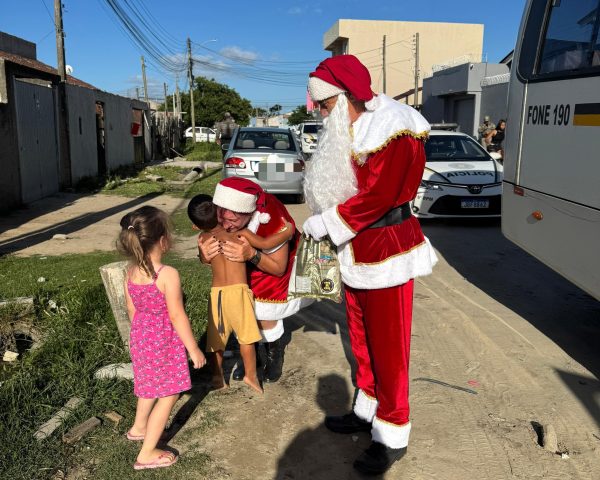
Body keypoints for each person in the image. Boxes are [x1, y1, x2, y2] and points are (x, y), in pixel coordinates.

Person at [302, 55, 438, 475]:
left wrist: (326, 222)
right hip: (356, 249)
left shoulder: (395, 125)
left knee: (389, 350)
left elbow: (380, 196)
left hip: (387, 251)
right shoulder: (352, 124)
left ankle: (392, 433)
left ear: (342, 97)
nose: (321, 114)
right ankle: (368, 409)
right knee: (361, 339)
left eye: (324, 106)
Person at [117, 205, 206, 471]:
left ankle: (138, 428)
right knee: (169, 394)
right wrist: (194, 350)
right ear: (163, 240)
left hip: (141, 337)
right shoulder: (167, 274)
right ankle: (147, 453)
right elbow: (178, 316)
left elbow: (132, 309)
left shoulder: (131, 271)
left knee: (148, 386)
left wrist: (142, 338)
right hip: (164, 339)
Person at [197, 177, 309, 383]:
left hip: (273, 271)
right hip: (242, 272)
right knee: (243, 317)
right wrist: (204, 254)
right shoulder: (223, 216)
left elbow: (278, 268)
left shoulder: (272, 218)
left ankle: (274, 353)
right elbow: (211, 247)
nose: (226, 226)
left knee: (263, 311)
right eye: (222, 219)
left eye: (233, 221)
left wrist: (252, 255)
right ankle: (253, 357)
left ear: (249, 214)